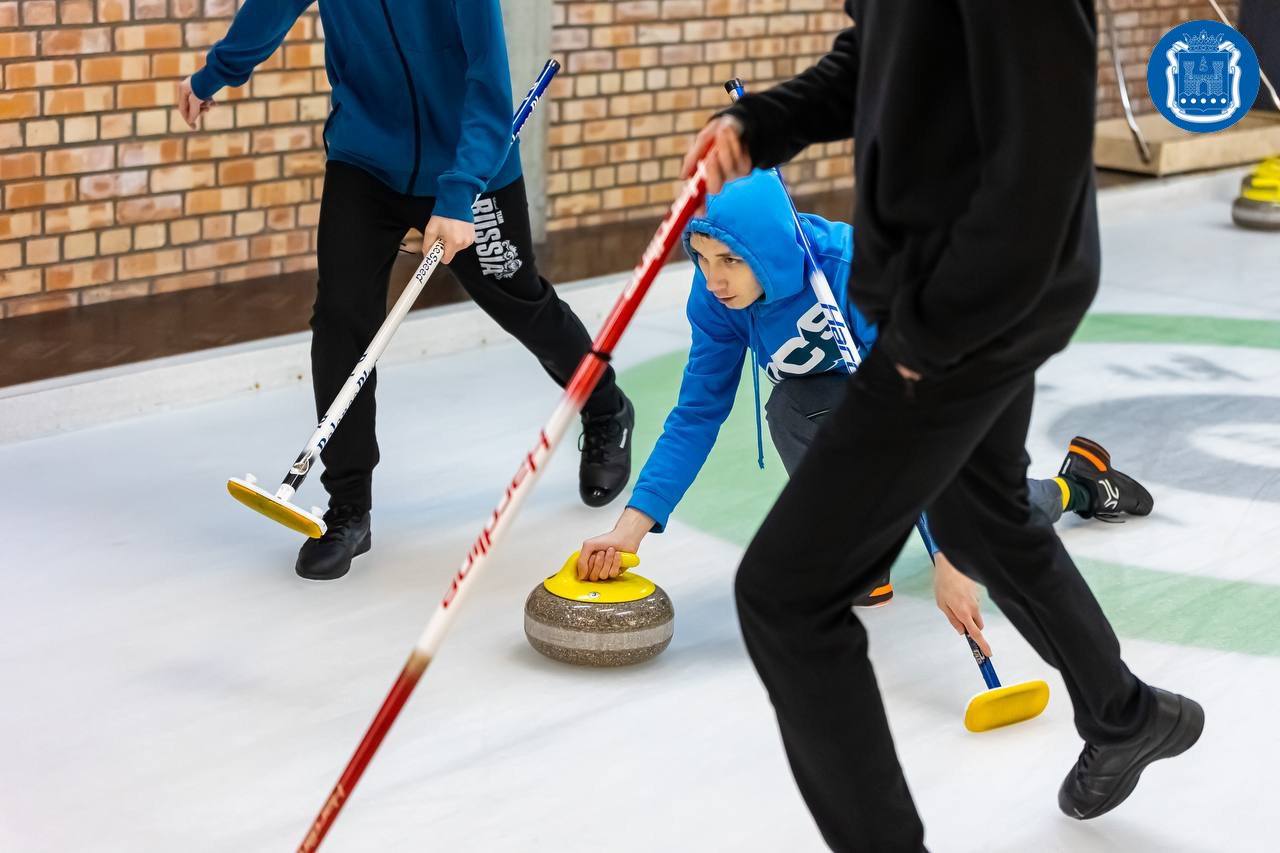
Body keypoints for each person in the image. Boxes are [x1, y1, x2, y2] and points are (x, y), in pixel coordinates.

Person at [679, 5, 1203, 851]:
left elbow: (1041, 167)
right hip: (959, 299)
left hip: (967, 309)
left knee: (787, 594)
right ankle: (1124, 714)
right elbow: (880, 56)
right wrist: (763, 122)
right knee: (982, 516)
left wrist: (931, 334)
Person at [577, 170, 1153, 655]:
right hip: (844, 400)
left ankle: (1077, 484)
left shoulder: (853, 268)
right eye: (701, 258)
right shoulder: (715, 300)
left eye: (730, 259)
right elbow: (697, 413)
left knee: (984, 523)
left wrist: (954, 554)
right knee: (792, 407)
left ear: (771, 250)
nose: (714, 278)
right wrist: (633, 526)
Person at [174, 0, 634, 581]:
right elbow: (270, 6)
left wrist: (459, 191)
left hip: (469, 166)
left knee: (519, 302)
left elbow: (488, 77)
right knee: (342, 319)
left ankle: (605, 406)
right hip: (365, 159)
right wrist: (216, 72)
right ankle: (347, 507)